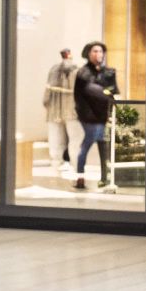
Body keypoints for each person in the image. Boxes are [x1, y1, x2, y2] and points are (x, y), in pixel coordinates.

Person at [72, 40, 118, 191]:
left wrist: (109, 96)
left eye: (100, 51)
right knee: (88, 143)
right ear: (88, 53)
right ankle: (80, 176)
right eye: (94, 51)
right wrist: (106, 93)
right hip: (89, 117)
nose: (98, 54)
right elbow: (90, 91)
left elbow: (114, 91)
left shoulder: (109, 72)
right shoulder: (83, 73)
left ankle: (104, 178)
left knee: (103, 146)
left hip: (104, 116)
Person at [42, 46, 82, 177]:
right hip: (70, 109)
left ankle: (63, 164)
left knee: (62, 140)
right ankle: (72, 166)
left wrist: (47, 103)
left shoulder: (56, 69)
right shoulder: (76, 70)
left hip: (58, 109)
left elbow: (46, 96)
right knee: (69, 140)